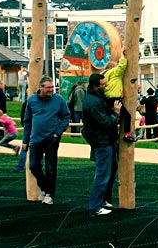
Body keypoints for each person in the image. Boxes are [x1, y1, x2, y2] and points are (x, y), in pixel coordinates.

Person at [22, 76, 71, 205]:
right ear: (41, 88)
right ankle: (45, 188)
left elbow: (66, 116)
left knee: (50, 168)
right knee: (33, 166)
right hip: (35, 139)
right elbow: (27, 122)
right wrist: (25, 140)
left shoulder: (58, 100)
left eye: (52, 87)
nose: (51, 90)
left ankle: (49, 194)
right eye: (48, 87)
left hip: (51, 140)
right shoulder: (32, 100)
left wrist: (58, 133)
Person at [82, 73, 119, 216]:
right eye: (103, 84)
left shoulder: (95, 98)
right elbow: (105, 122)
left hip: (105, 140)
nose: (106, 86)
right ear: (95, 86)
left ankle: (102, 201)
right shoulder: (93, 102)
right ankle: (95, 207)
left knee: (110, 170)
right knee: (102, 174)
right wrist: (115, 114)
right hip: (101, 141)